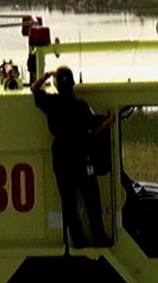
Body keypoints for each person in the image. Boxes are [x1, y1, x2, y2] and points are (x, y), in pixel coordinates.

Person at [30, 66, 114, 248]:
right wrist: (110, 121)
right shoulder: (81, 106)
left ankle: (78, 240)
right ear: (73, 84)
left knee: (69, 203)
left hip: (61, 157)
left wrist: (46, 75)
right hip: (81, 156)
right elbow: (95, 128)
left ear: (56, 85)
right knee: (92, 199)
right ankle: (98, 237)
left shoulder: (51, 103)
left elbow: (34, 89)